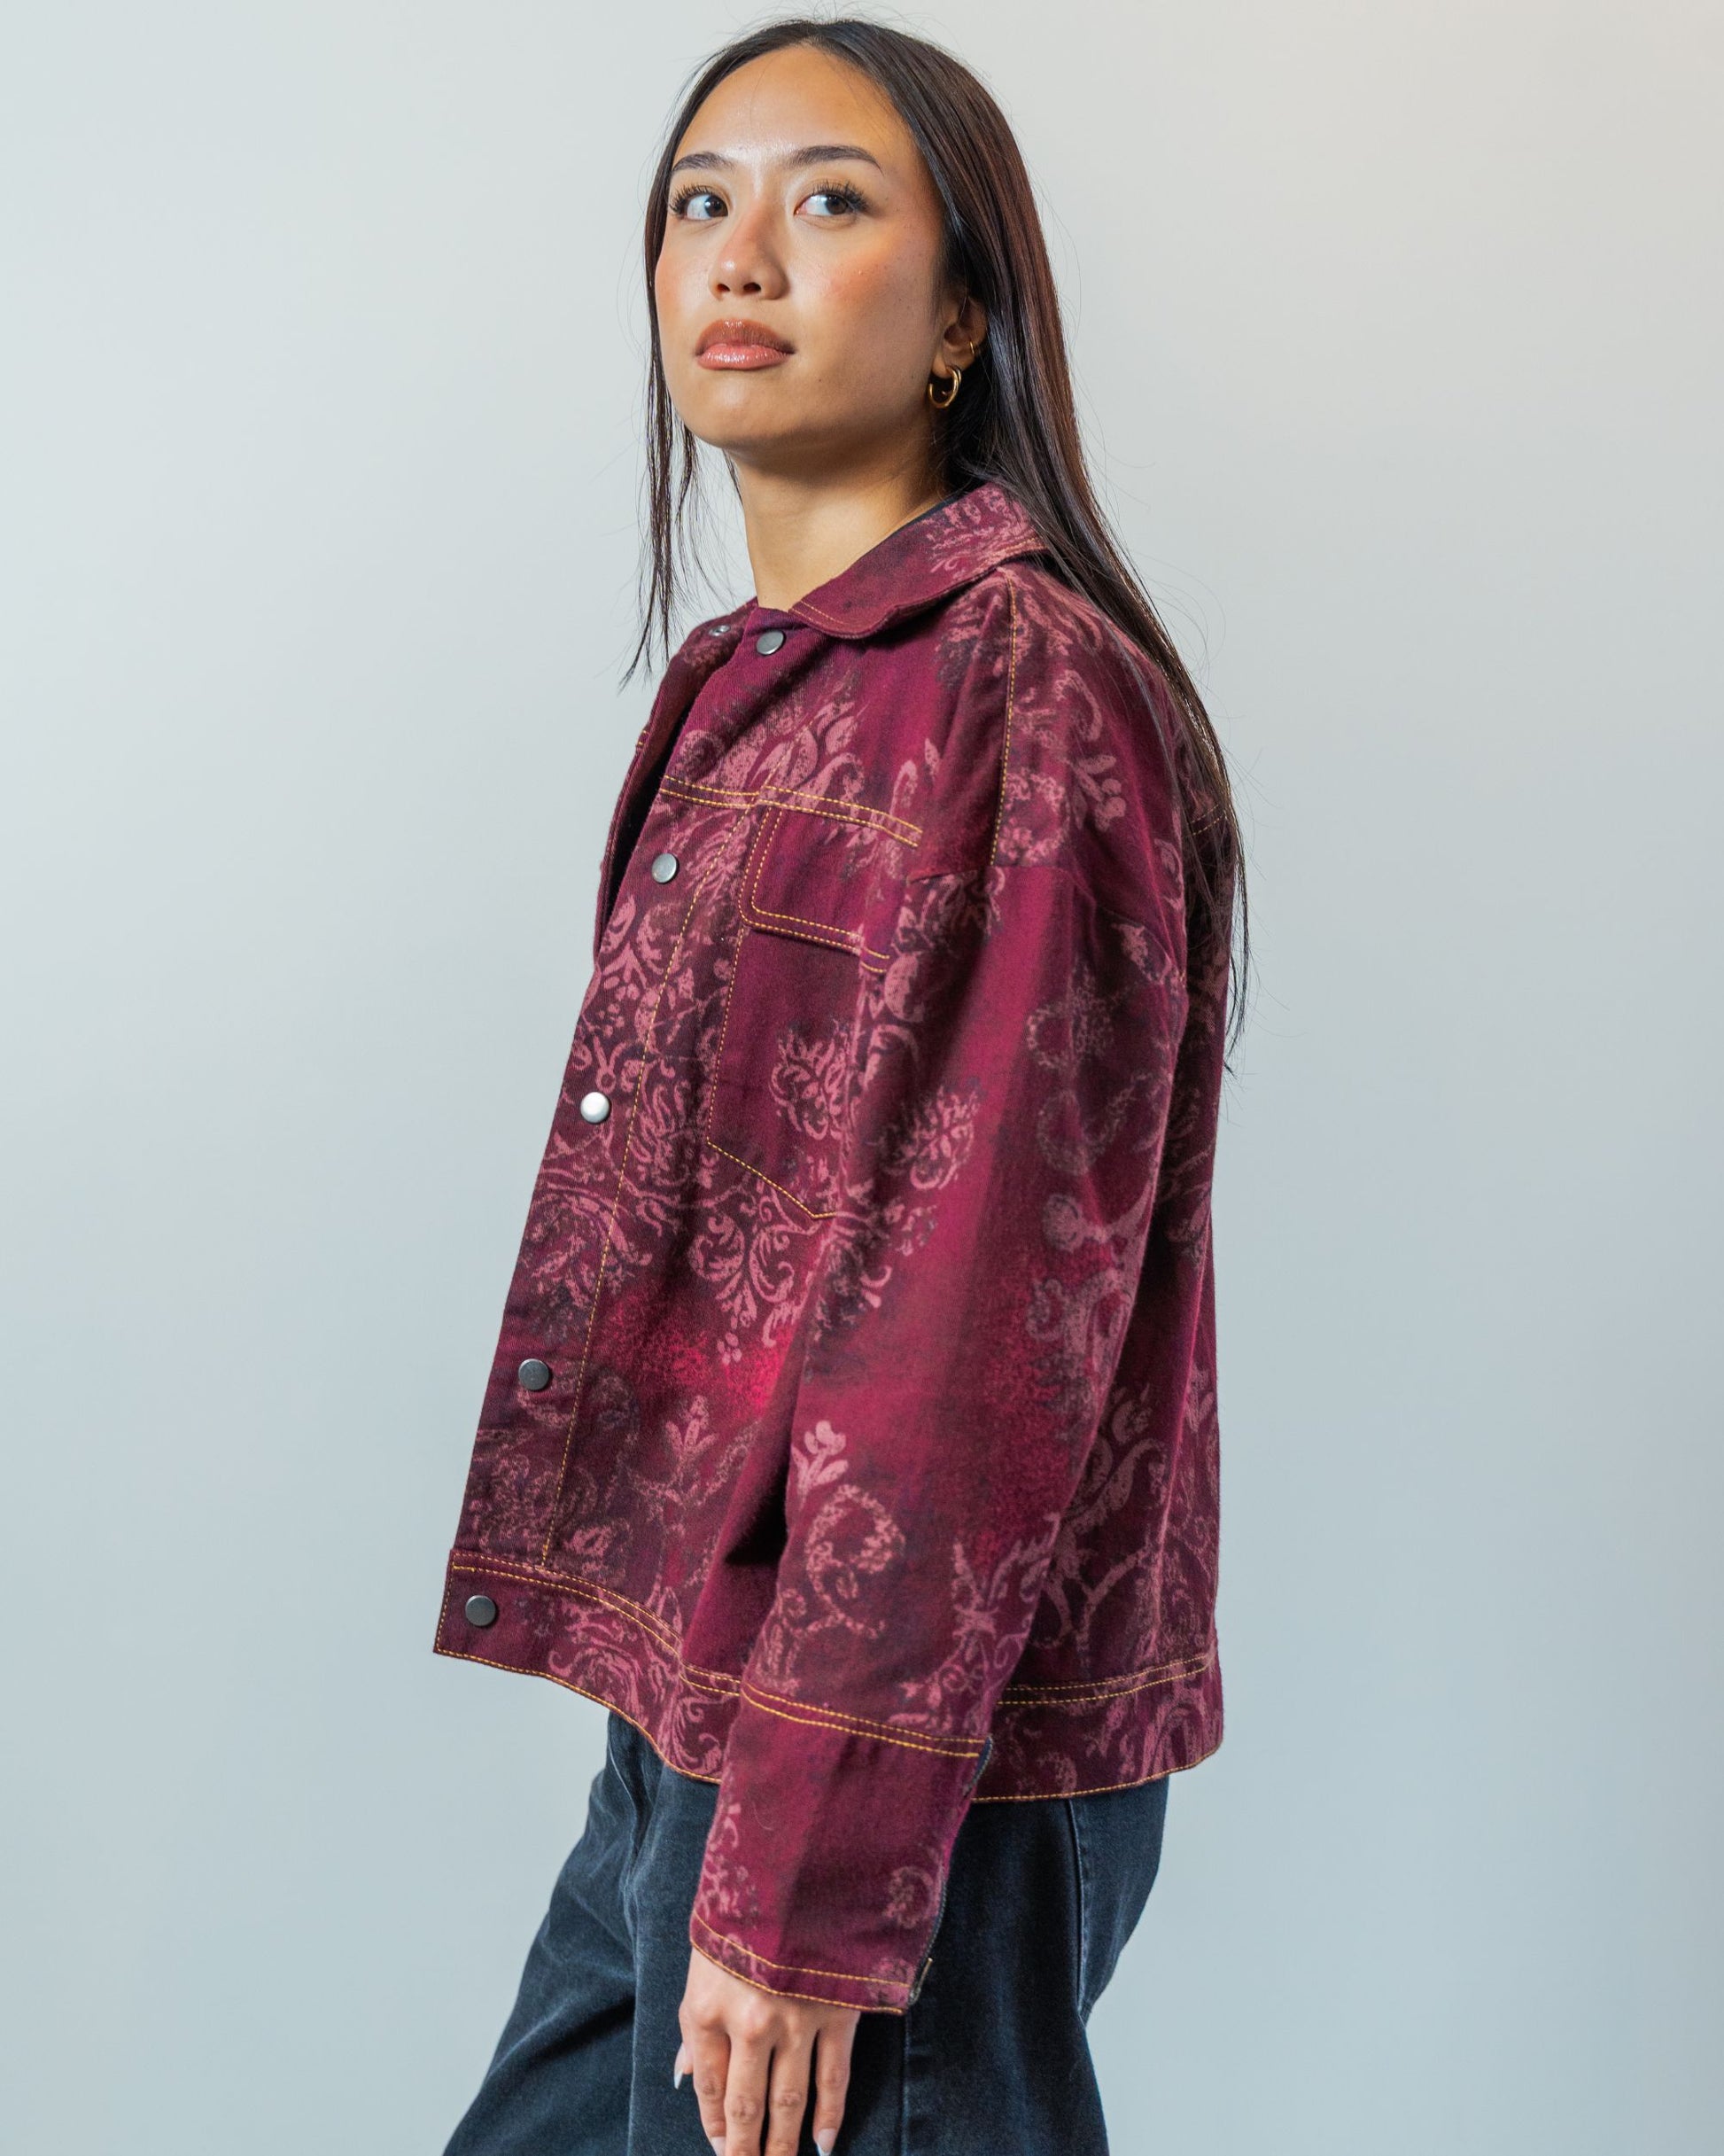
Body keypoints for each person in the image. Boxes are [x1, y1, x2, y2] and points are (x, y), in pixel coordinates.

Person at [435, 19, 1245, 2155]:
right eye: (703, 200)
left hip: (889, 1765)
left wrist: (808, 1874)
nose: (745, 253)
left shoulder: (1025, 699)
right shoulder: (756, 692)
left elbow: (972, 1327)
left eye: (832, 200)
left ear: (966, 311)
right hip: (710, 1707)